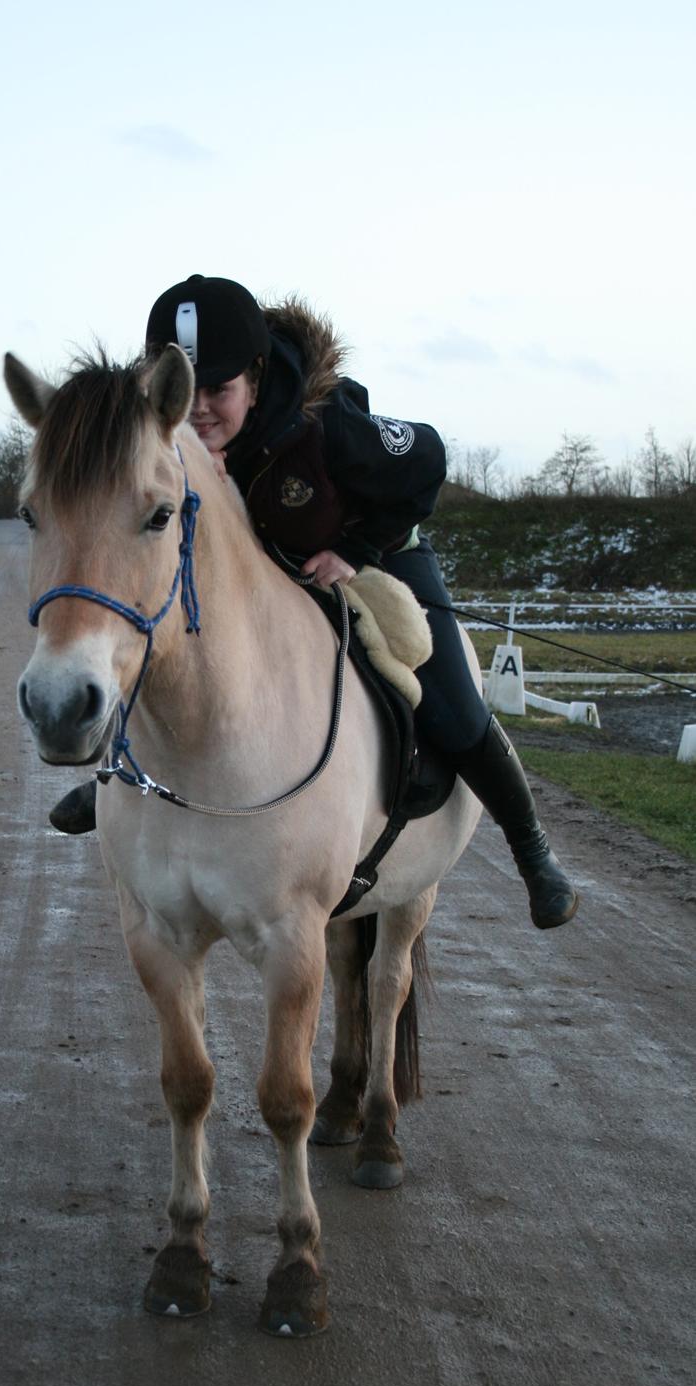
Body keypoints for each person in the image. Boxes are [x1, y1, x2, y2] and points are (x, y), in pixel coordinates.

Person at [49, 274, 578, 931]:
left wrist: (357, 547)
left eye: (221, 389)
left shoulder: (327, 427)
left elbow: (428, 462)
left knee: (453, 702)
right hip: (262, 570)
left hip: (371, 552)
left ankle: (532, 851)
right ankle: (116, 781)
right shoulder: (159, 438)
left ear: (258, 376)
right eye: (190, 391)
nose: (202, 410)